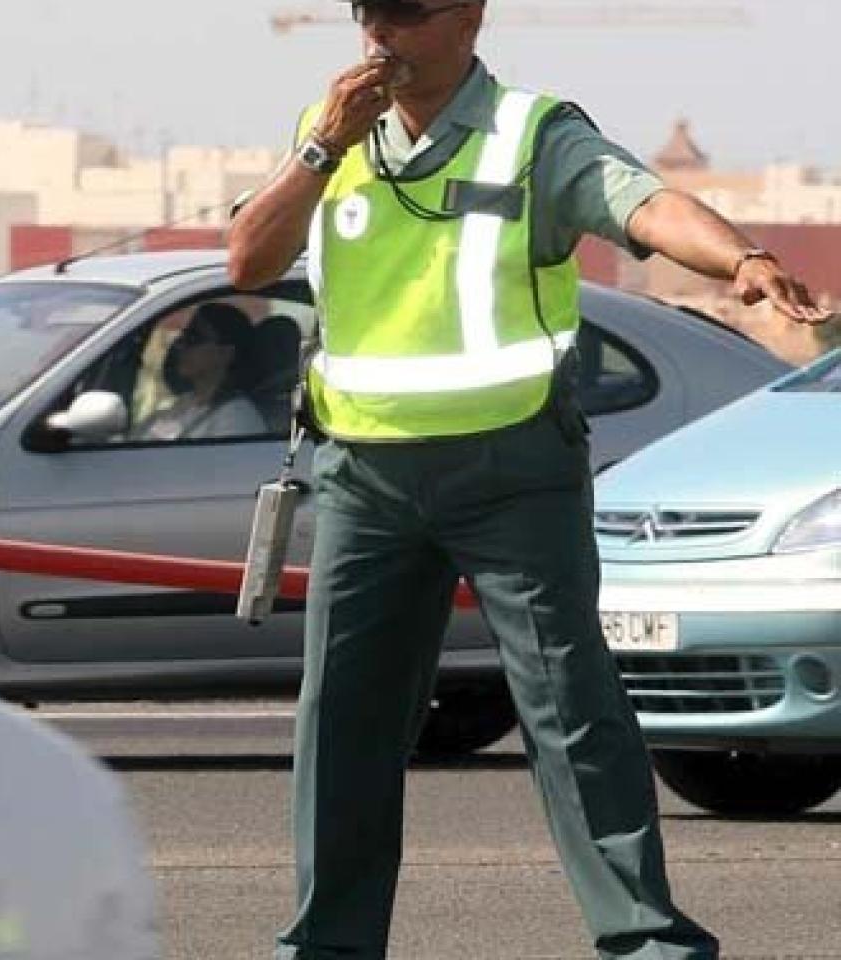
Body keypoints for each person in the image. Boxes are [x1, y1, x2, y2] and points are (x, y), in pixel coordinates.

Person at [225, 2, 832, 958]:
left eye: (407, 14)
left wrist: (744, 259)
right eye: (366, 12)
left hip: (510, 470)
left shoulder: (533, 136)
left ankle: (646, 940)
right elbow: (249, 259)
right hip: (365, 477)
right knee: (342, 720)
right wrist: (320, 150)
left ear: (467, 15)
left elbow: (645, 204)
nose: (382, 34)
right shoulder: (330, 130)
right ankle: (327, 946)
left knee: (568, 707)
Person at [133, 302, 268, 440]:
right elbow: (149, 442)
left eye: (194, 338)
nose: (180, 345)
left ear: (225, 353)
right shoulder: (185, 402)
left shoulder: (237, 417)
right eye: (183, 336)